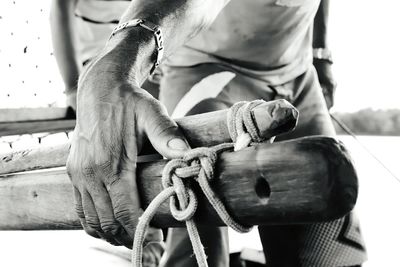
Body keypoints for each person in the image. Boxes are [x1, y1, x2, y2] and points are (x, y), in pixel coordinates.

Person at [66, 0, 367, 266]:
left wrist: (321, 54)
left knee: (330, 231)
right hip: (206, 72)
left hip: (299, 75)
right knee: (197, 243)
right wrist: (116, 64)